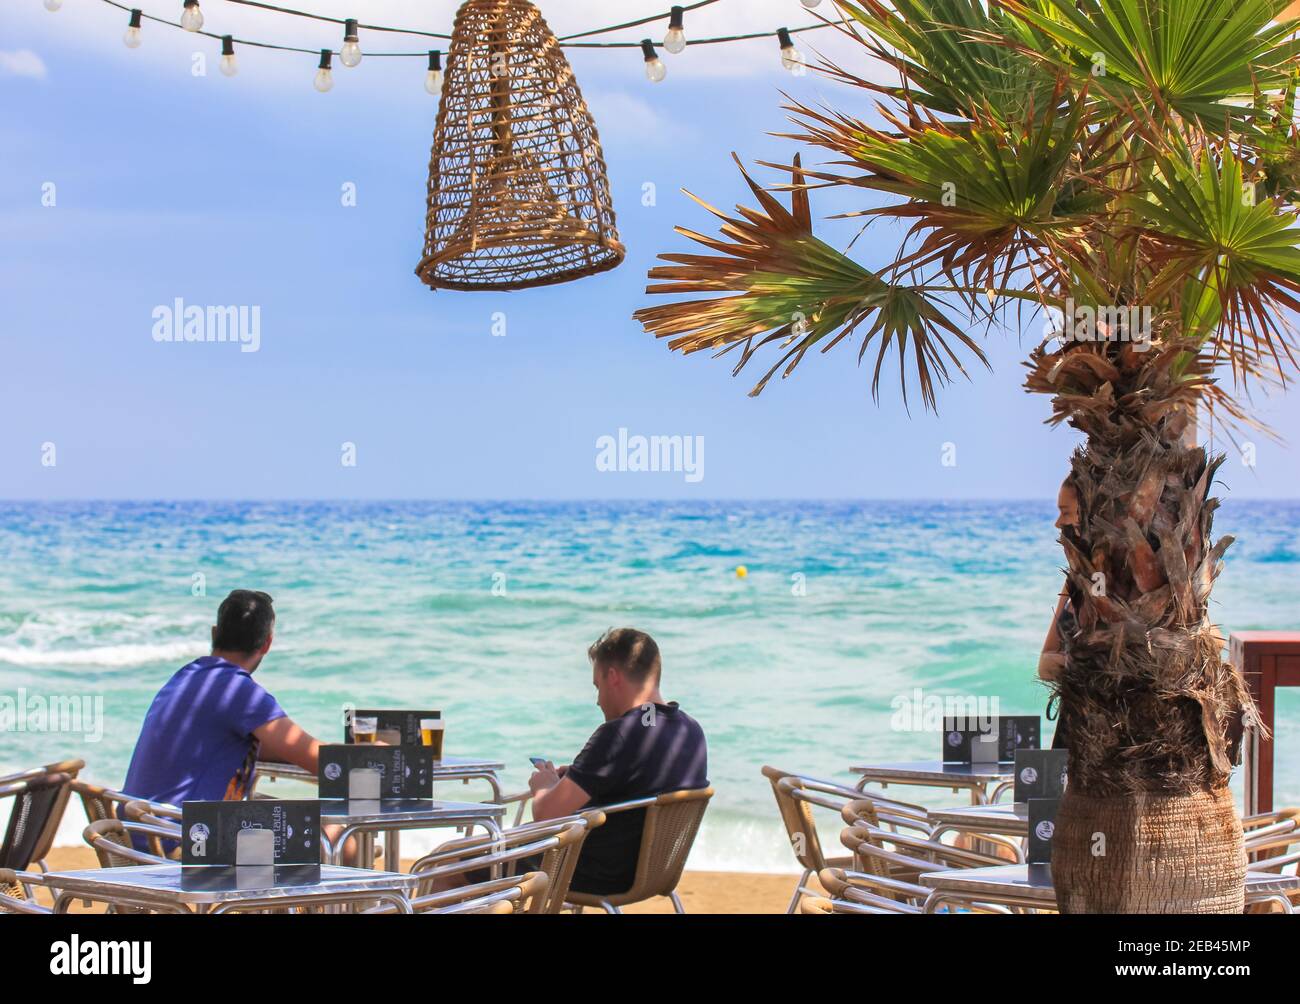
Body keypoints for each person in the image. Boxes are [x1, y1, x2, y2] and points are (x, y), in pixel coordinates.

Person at [525, 628, 709, 896]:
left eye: (597, 687)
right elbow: (636, 782)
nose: (597, 701)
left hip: (589, 872)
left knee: (453, 863)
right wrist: (578, 777)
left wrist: (543, 786)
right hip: (651, 874)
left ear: (612, 677)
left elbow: (546, 816)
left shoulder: (618, 734)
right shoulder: (691, 731)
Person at [123, 589, 323, 813]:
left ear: (214, 633)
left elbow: (221, 741)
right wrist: (365, 755)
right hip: (183, 839)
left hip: (141, 832)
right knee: (336, 836)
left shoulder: (185, 677)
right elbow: (324, 763)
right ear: (267, 644)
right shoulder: (238, 691)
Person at [1039, 478, 1081, 750]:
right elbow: (1044, 665)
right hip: (1074, 725)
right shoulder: (1078, 580)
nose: (1058, 523)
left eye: (1066, 512)